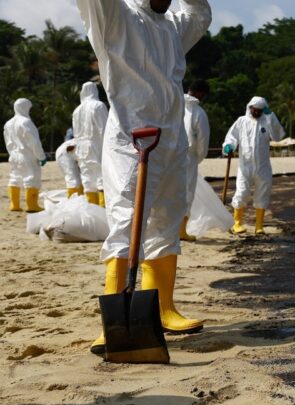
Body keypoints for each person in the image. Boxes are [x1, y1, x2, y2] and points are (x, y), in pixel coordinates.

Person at [76, 0, 212, 355]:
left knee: (167, 219)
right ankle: (114, 321)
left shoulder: (169, 26)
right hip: (129, 139)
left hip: (170, 140)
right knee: (126, 220)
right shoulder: (117, 17)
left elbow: (200, 15)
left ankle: (164, 308)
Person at [223, 97, 285, 235]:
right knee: (242, 192)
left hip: (263, 167)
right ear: (249, 108)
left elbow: (278, 136)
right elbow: (231, 137)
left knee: (262, 194)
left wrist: (271, 116)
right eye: (254, 110)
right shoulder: (241, 121)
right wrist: (229, 146)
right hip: (245, 166)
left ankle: (259, 226)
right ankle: (237, 224)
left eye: (259, 110)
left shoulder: (267, 122)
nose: (256, 112)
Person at [4, 99, 46, 213]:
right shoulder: (26, 122)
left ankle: (15, 204)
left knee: (14, 178)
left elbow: (7, 141)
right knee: (32, 178)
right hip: (27, 156)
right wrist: (41, 156)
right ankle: (32, 205)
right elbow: (34, 142)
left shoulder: (8, 123)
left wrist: (12, 153)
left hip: (13, 155)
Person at [181, 79, 211, 242]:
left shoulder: (174, 104)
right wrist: (198, 157)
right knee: (186, 192)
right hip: (188, 156)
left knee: (167, 189)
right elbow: (203, 140)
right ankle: (180, 231)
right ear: (201, 93)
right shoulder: (198, 113)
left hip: (169, 154)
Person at [72, 81, 108, 207]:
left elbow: (75, 133)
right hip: (96, 145)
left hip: (81, 147)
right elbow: (104, 129)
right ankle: (103, 209)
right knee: (102, 177)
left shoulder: (77, 110)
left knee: (87, 178)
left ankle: (91, 210)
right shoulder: (98, 106)